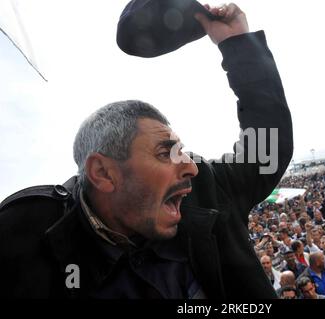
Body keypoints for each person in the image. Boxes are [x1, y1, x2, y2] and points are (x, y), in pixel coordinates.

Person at [0, 3, 293, 298]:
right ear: (103, 173)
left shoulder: (206, 188)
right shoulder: (25, 239)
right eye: (165, 153)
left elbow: (265, 155)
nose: (190, 167)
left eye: (183, 151)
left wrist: (238, 45)